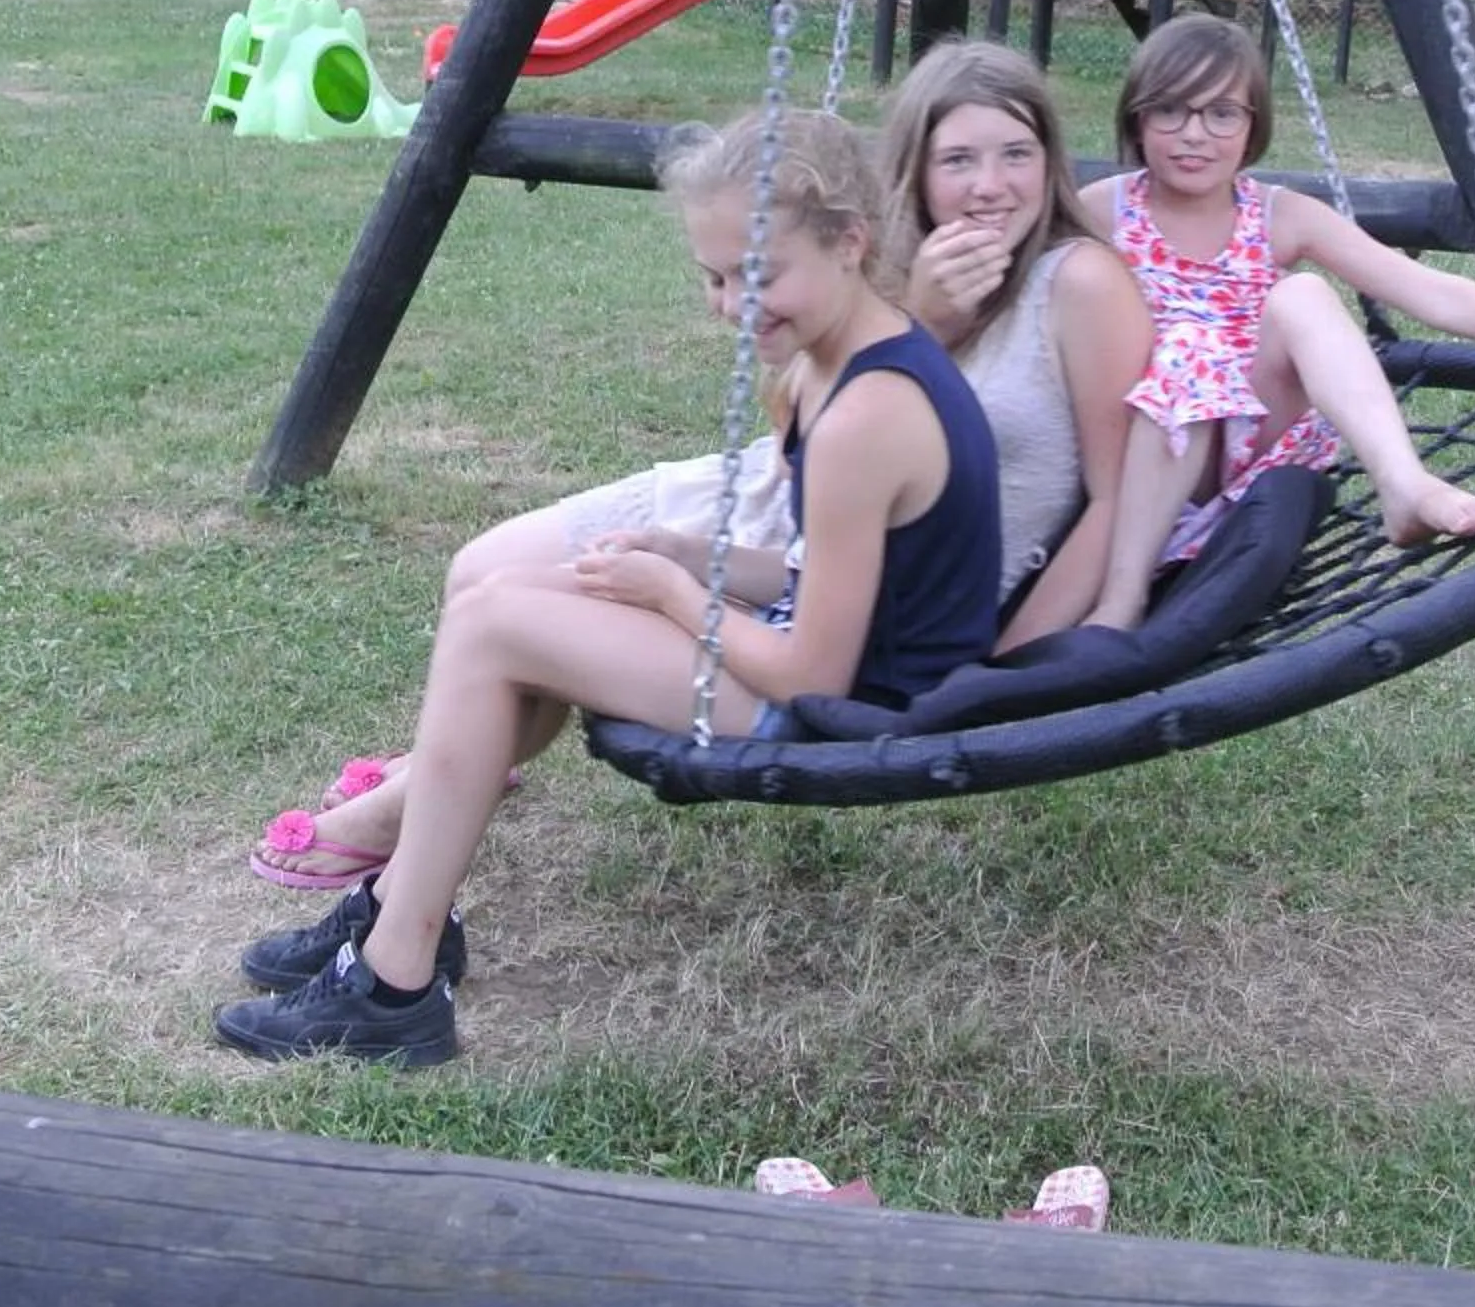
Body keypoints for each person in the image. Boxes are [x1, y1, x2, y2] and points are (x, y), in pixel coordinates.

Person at [248, 41, 1152, 886]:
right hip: (781, 515)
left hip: (857, 583)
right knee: (484, 572)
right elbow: (811, 403)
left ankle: (417, 814)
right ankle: (447, 767)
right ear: (911, 173)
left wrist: (1041, 659)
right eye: (959, 159)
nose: (989, 186)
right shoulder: (881, 276)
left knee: (506, 608)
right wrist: (926, 306)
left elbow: (1069, 483)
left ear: (1052, 160)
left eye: (1016, 154)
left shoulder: (1069, 283)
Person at [214, 107, 1002, 1066]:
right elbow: (820, 576)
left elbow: (816, 673)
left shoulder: (869, 413)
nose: (733, 305)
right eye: (714, 278)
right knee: (505, 595)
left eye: (758, 276)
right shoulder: (819, 369)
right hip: (819, 651)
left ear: (851, 242)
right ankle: (396, 912)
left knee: (498, 629)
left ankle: (395, 985)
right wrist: (684, 553)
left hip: (858, 705)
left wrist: (673, 596)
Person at [1082, 13, 1475, 631]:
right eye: (1170, 110)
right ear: (1136, 118)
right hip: (1143, 450)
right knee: (1184, 349)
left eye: (1222, 113)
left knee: (1304, 294)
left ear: (1252, 124)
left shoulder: (1277, 216)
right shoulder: (1104, 212)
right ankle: (1121, 598)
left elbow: (1432, 293)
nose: (1194, 134)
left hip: (1249, 451)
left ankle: (1404, 484)